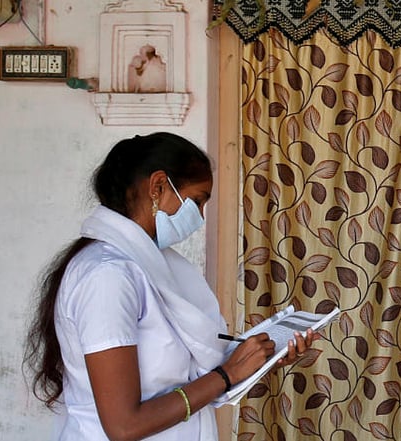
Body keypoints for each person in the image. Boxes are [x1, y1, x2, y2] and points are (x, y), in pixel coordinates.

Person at [24, 132, 317, 440]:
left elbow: (191, 377)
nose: (201, 218)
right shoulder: (108, 276)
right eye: (198, 201)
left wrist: (258, 358)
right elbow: (124, 426)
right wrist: (227, 374)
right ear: (158, 186)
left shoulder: (154, 267)